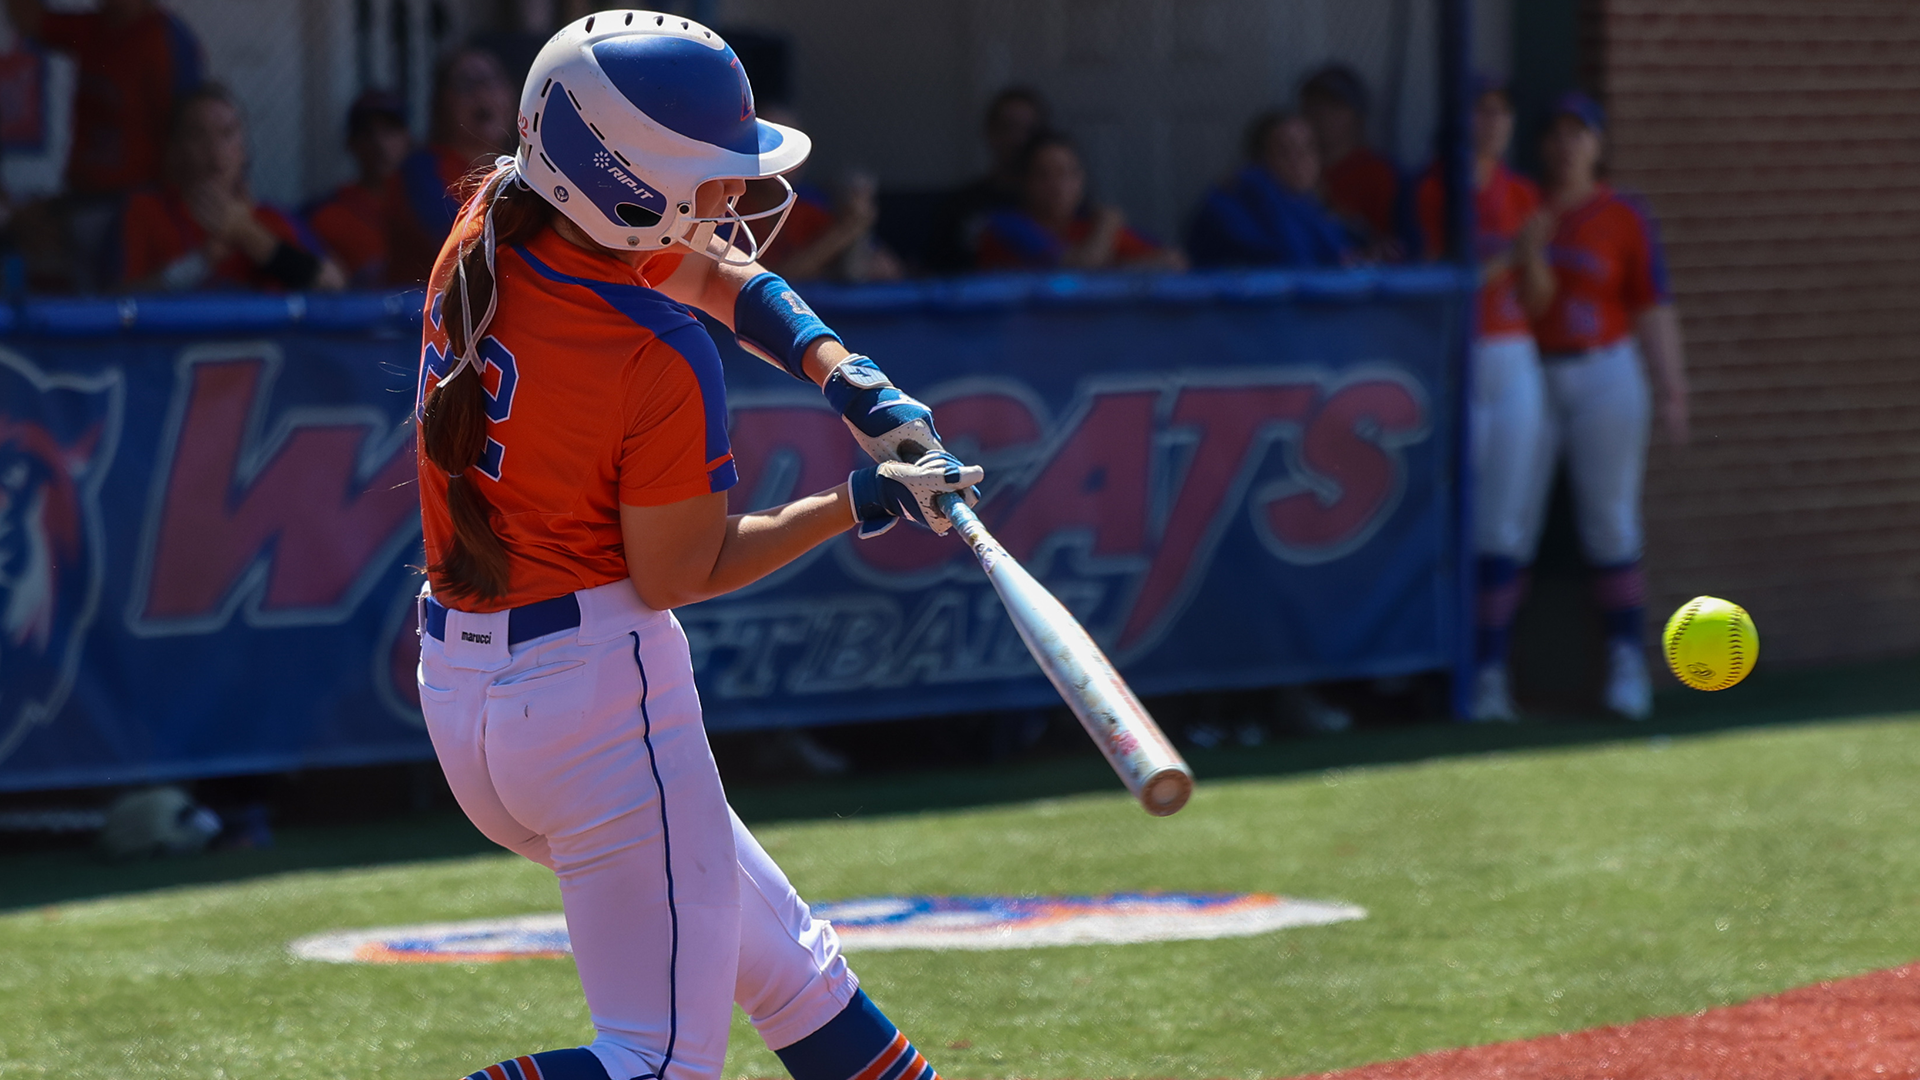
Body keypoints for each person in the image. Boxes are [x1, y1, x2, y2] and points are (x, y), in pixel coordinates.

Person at [412, 15, 984, 1080]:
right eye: (704, 173)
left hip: (469, 696)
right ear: (622, 182)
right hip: (594, 703)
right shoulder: (655, 350)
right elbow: (681, 571)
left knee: (798, 974)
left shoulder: (492, 226)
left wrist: (845, 377)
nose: (732, 194)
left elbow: (708, 269)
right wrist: (860, 500)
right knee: (658, 1062)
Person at [1515, 91, 1690, 720]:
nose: (1567, 145)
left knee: (1611, 522)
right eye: (1557, 133)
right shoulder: (1523, 206)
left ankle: (1625, 666)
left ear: (1598, 143)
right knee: (1511, 523)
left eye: (1579, 132)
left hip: (1605, 370)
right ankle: (1486, 674)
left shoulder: (1623, 213)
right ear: (1542, 144)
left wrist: (1672, 387)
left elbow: (1652, 302)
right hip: (1531, 371)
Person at [1415, 82, 1555, 721]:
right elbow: (1442, 284)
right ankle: (1452, 672)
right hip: (1455, 360)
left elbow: (1538, 297)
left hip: (1514, 355)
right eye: (1481, 109)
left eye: (1501, 110)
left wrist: (1531, 259)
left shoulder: (1521, 192)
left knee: (1504, 525)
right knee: (1455, 521)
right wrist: (1509, 259)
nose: (1492, 121)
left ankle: (1492, 672)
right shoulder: (1434, 188)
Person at [5, 0, 203, 290]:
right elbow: (29, 20)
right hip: (82, 197)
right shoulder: (92, 28)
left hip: (136, 203)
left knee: (115, 292)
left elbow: (191, 140)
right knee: (21, 229)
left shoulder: (168, 40)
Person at [118, 84, 344, 292]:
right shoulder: (146, 211)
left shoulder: (270, 218)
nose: (215, 149)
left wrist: (245, 232)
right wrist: (202, 261)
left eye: (227, 134)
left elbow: (334, 283)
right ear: (175, 149)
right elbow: (117, 299)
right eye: (198, 135)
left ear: (244, 150)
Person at [384, 45, 517, 284]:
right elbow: (460, 243)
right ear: (440, 103)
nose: (482, 93)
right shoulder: (419, 171)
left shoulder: (526, 169)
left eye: (491, 81)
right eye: (466, 84)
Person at [973, 129, 1183, 272]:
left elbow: (1173, 261)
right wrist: (1107, 226)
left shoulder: (1086, 228)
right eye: (1043, 175)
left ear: (1081, 180)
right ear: (1024, 182)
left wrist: (1115, 268)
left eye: (1067, 174)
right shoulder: (1006, 225)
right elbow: (1077, 270)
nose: (1058, 186)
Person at [1186, 110, 1356, 269]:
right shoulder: (1236, 200)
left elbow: (1343, 256)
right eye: (1285, 151)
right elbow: (1290, 259)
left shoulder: (1310, 206)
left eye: (1308, 148)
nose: (1300, 159)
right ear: (1260, 158)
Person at [924, 85, 1049, 272]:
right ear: (990, 132)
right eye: (1009, 127)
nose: (1019, 140)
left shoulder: (1058, 204)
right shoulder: (960, 205)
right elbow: (932, 271)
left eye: (1029, 131)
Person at [306, 91, 411, 288]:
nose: (380, 144)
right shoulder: (326, 216)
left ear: (408, 138)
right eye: (367, 133)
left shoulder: (431, 206)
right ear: (351, 143)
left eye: (390, 131)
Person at [1299, 63, 1404, 260]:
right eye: (1314, 104)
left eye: (1335, 105)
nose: (1322, 114)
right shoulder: (1288, 168)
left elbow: (1388, 244)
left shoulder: (1377, 173)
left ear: (1357, 116)